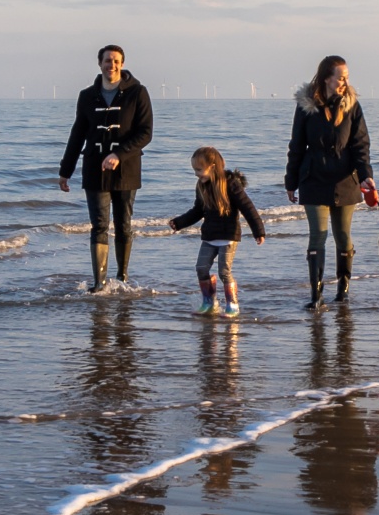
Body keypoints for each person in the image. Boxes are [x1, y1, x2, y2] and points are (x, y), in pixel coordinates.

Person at [284, 54, 379, 308]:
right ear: (327, 78)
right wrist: (290, 181)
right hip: (313, 179)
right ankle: (316, 297)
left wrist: (366, 176)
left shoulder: (352, 106)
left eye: (347, 78)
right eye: (340, 77)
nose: (344, 82)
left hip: (346, 182)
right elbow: (296, 145)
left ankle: (343, 292)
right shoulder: (306, 107)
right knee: (318, 236)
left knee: (343, 237)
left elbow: (361, 145)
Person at [57, 43, 153, 290]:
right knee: (99, 225)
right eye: (108, 60)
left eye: (116, 61)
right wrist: (65, 171)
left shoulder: (138, 92)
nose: (112, 65)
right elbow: (77, 134)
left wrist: (119, 154)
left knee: (123, 225)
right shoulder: (87, 96)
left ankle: (122, 278)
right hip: (94, 168)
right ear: (99, 64)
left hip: (127, 169)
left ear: (122, 64)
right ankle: (99, 284)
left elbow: (145, 133)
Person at [168, 145, 268, 317]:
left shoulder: (231, 184)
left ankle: (232, 305)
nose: (196, 174)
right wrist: (179, 223)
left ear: (212, 167)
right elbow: (197, 211)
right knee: (201, 268)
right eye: (194, 170)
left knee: (224, 271)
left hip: (228, 236)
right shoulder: (201, 185)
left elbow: (248, 208)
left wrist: (258, 231)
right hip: (209, 236)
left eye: (199, 169)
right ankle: (209, 302)